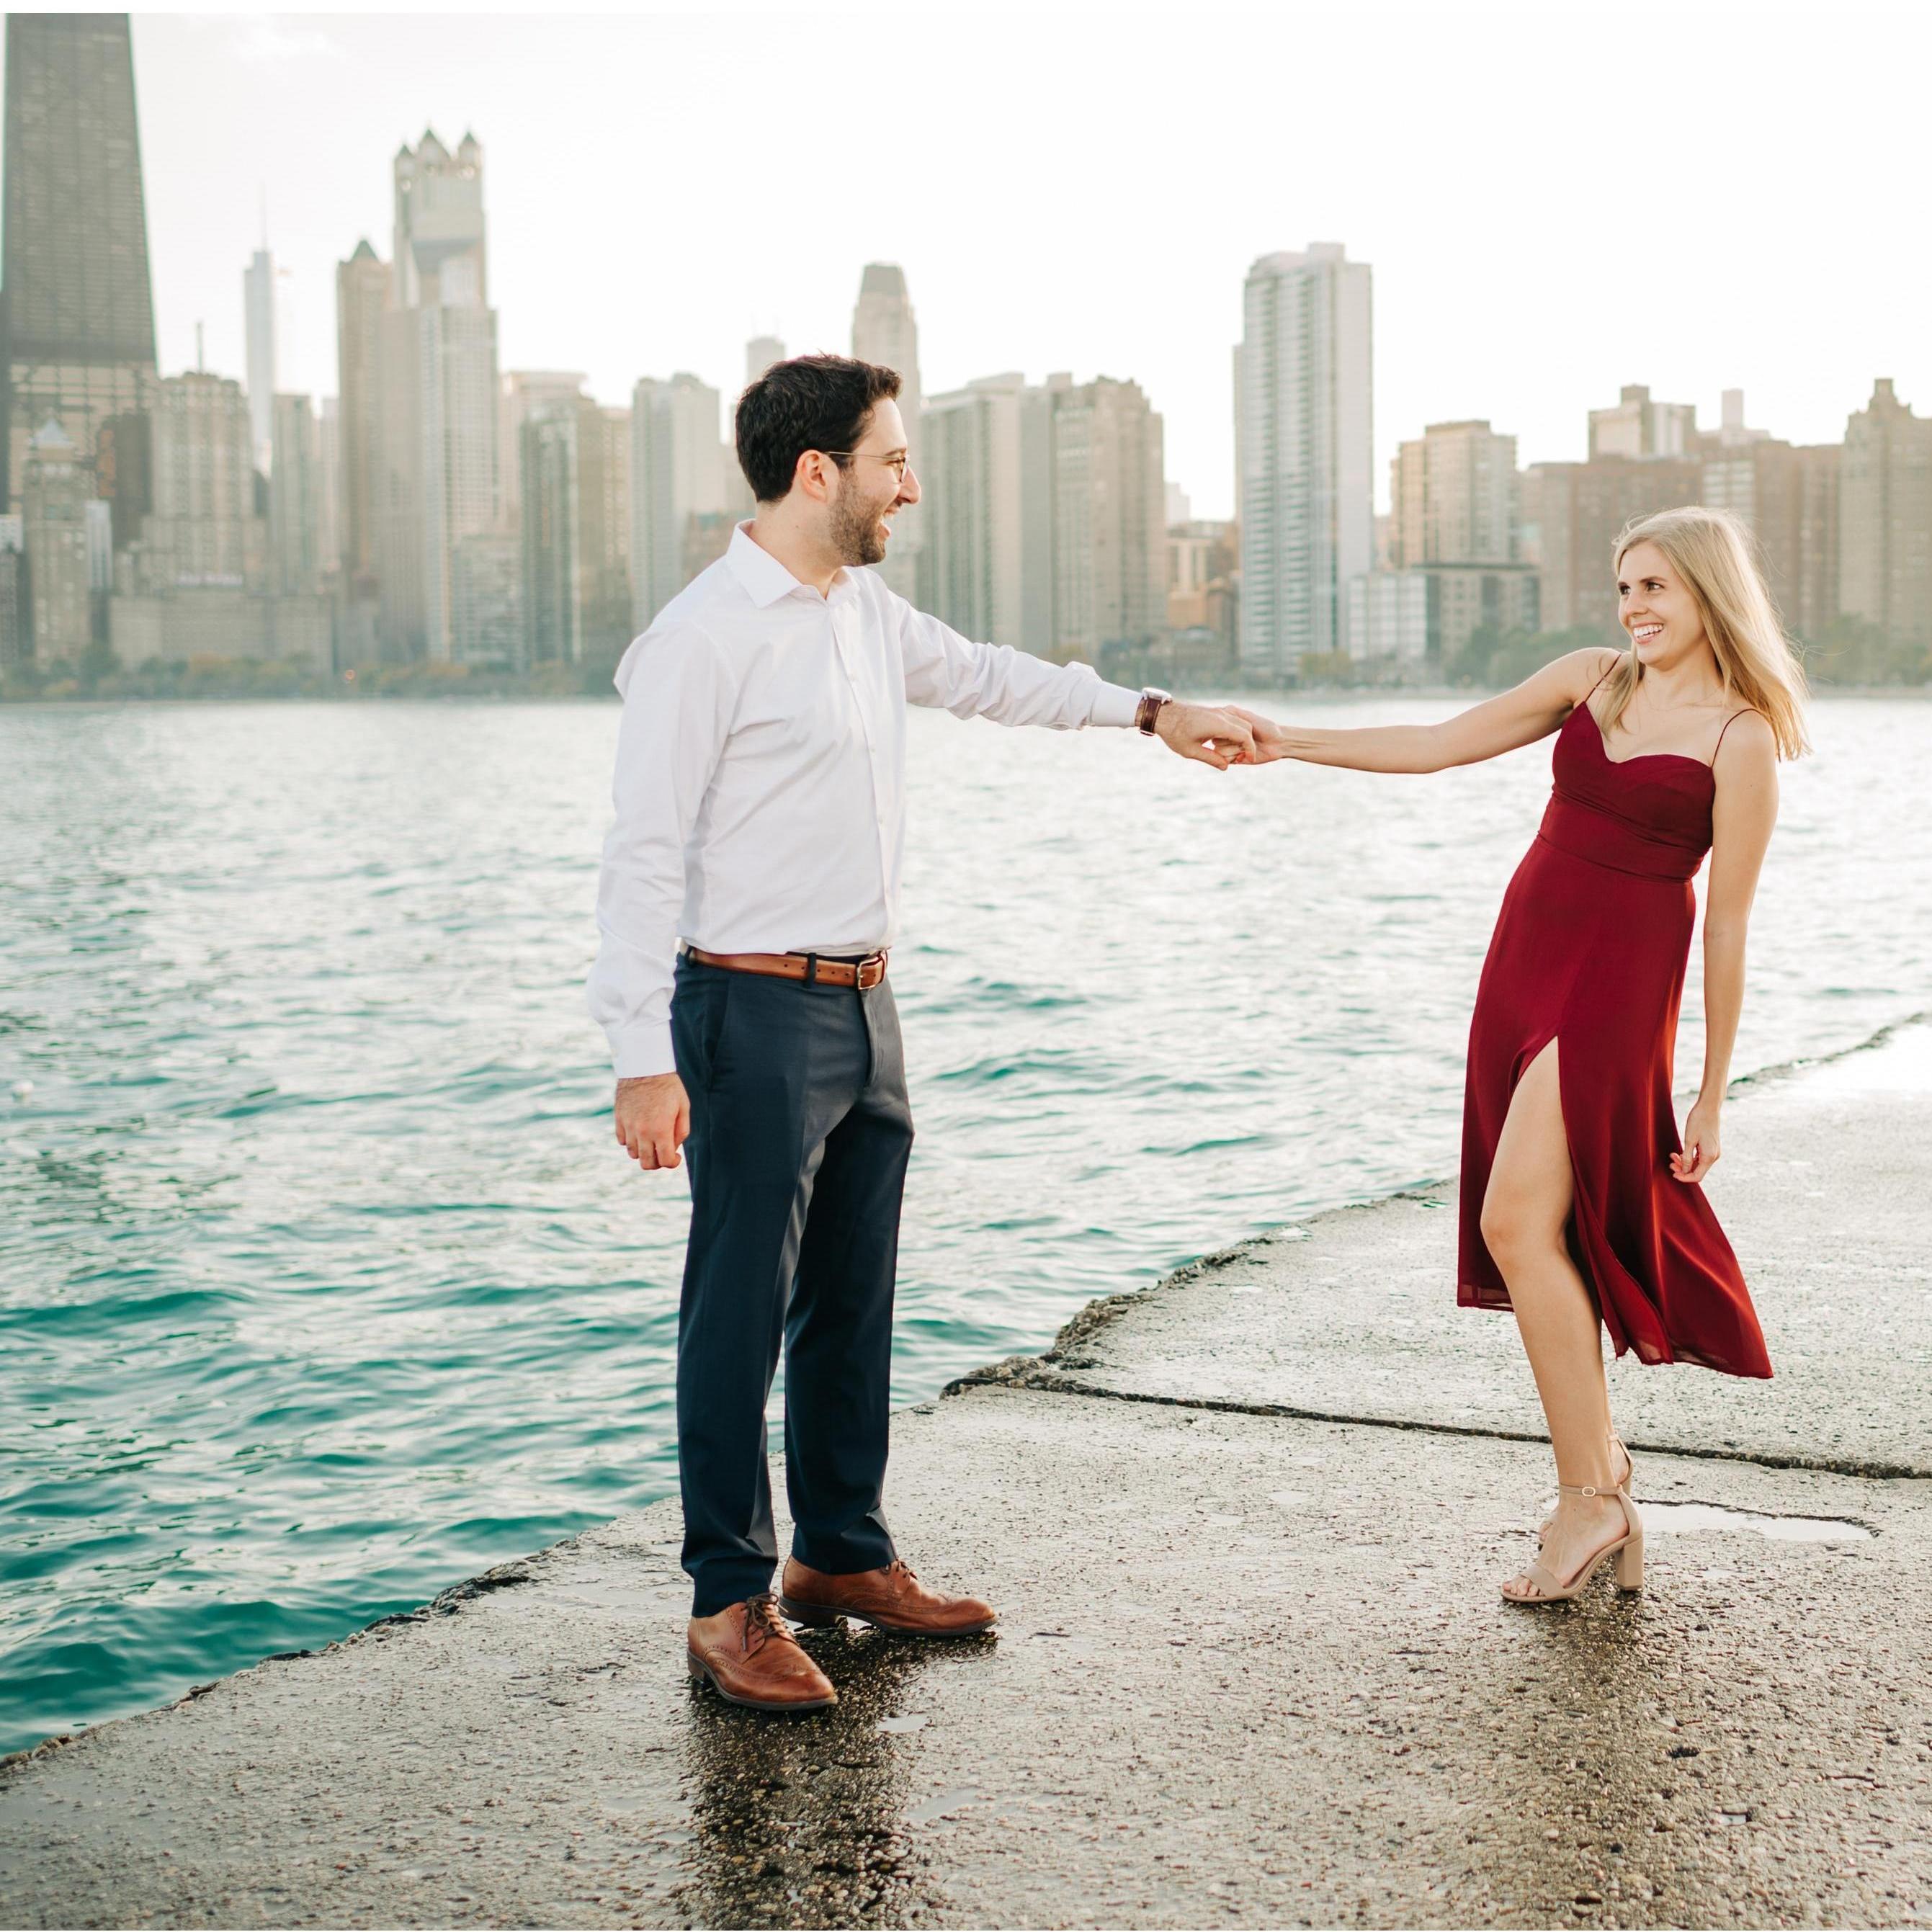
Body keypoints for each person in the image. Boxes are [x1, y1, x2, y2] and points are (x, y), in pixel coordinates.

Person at [588, 354, 1253, 1712]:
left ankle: (839, 1557)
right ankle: (728, 1600)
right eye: (891, 457)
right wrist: (640, 1055)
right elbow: (640, 857)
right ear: (816, 471)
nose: (910, 482)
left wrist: (1149, 711)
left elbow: (994, 679)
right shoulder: (702, 637)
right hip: (749, 1004)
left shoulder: (863, 613)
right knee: (737, 1312)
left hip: (864, 1004)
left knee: (853, 1297)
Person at [1230, 506, 1808, 1604]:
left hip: (1617, 980)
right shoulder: (1591, 680)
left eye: (1656, 588)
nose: (1633, 608)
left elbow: (1728, 926)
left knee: (1514, 1219)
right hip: (1524, 954)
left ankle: (1591, 1497)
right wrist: (1288, 738)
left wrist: (1711, 1093)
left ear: (1708, 593)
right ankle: (1604, 1487)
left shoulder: (1740, 739)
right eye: (1624, 586)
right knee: (1542, 1225)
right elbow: (1437, 743)